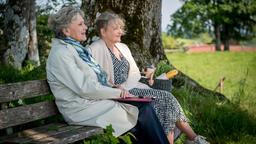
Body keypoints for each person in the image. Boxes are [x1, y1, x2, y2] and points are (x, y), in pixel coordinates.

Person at [46, 6, 169, 144]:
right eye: (80, 24)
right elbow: (85, 88)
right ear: (66, 30)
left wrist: (112, 86)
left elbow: (94, 79)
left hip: (92, 102)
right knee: (138, 115)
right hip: (80, 108)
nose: (85, 27)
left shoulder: (75, 49)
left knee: (143, 110)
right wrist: (117, 93)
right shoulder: (61, 54)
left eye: (84, 23)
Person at [89, 11, 210, 144]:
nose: (120, 31)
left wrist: (145, 77)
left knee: (165, 101)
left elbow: (133, 73)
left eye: (121, 28)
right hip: (119, 94)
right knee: (165, 98)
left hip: (133, 87)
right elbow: (94, 80)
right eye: (115, 28)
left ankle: (192, 138)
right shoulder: (95, 49)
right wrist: (113, 87)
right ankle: (193, 139)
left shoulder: (123, 47)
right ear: (103, 31)